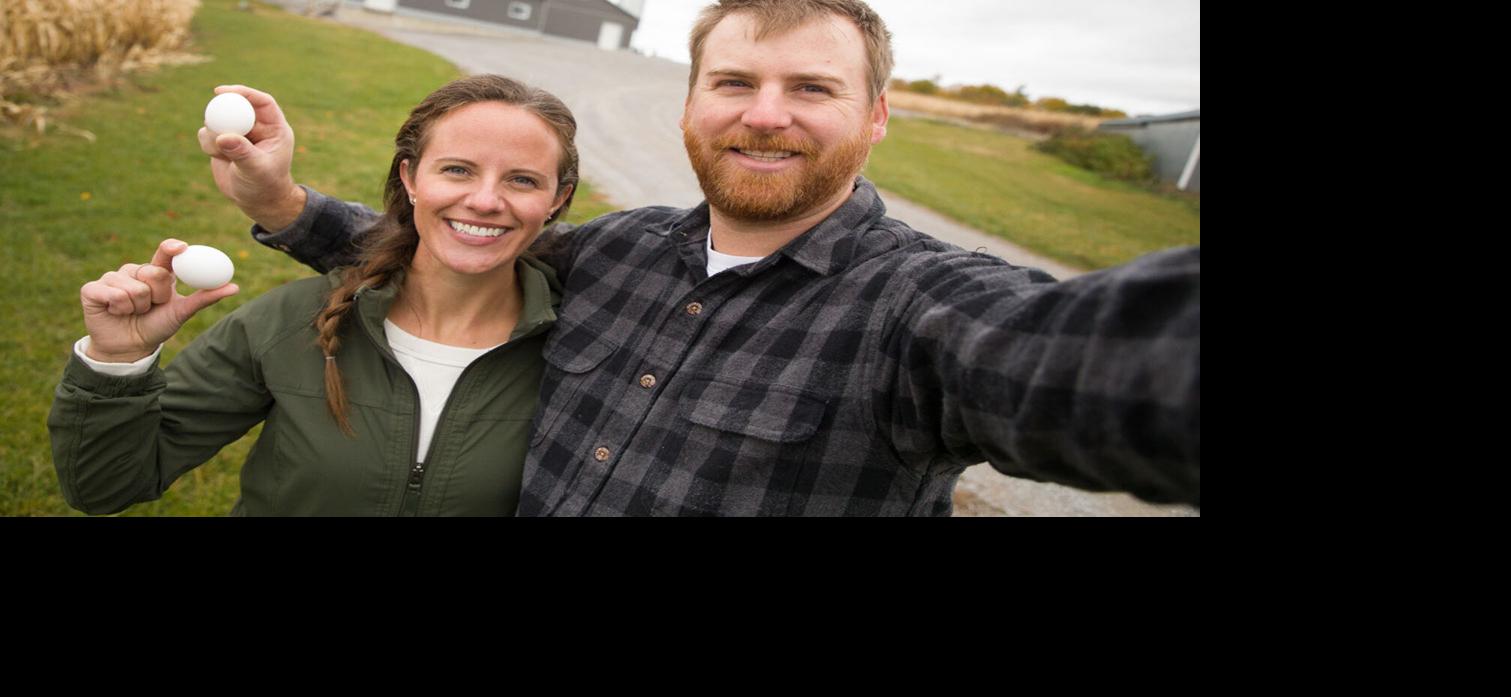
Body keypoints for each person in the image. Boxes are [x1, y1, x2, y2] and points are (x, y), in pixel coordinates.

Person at [205, 0, 1201, 516]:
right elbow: (451, 248)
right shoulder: (620, 250)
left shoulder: (917, 307)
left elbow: (1080, 360)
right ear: (690, 104)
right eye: (734, 80)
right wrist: (283, 204)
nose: (764, 114)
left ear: (878, 115)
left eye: (810, 88)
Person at [49, 74, 580, 515]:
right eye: (457, 170)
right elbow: (105, 485)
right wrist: (116, 362)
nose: (484, 201)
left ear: (558, 199)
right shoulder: (291, 320)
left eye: (522, 181)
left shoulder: (585, 352)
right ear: (411, 177)